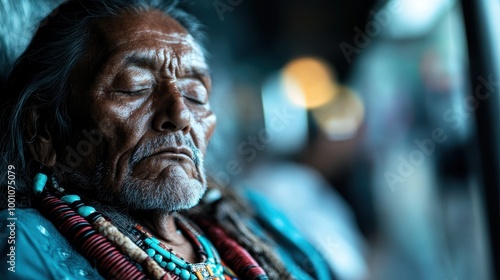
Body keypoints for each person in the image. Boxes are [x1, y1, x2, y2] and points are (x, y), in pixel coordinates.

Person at [0, 0, 333, 279]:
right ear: (42, 129)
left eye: (195, 93)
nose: (180, 114)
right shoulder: (20, 243)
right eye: (134, 87)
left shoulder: (256, 219)